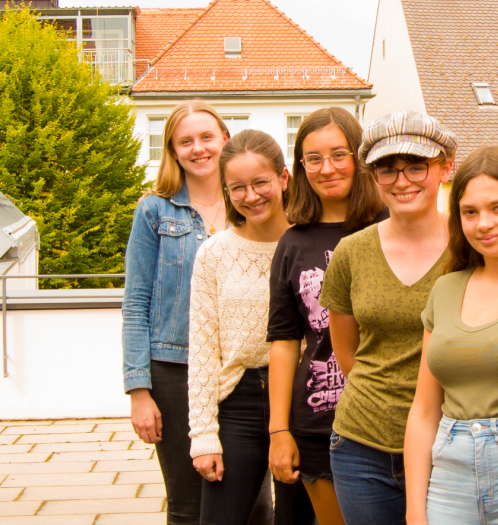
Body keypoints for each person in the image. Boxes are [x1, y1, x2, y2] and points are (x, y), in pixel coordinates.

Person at [404, 146, 498, 525]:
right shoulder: (446, 289)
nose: (483, 223)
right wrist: (414, 511)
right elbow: (424, 411)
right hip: (449, 478)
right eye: (470, 212)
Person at [320, 110, 457, 525]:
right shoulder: (351, 253)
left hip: (449, 442)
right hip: (362, 446)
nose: (402, 181)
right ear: (371, 176)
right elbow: (347, 355)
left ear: (446, 167)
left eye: (417, 166)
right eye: (387, 169)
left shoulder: (472, 247)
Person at [267, 108, 388, 525]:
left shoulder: (391, 225)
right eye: (313, 158)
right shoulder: (292, 242)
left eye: (339, 154)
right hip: (318, 421)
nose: (327, 168)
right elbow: (284, 341)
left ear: (359, 157)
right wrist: (278, 430)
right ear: (300, 168)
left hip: (391, 418)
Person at [123, 100, 240, 525]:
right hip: (175, 369)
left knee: (252, 503)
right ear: (173, 151)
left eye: (206, 137)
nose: (198, 148)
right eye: (184, 141)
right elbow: (136, 302)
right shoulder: (153, 211)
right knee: (189, 505)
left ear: (224, 139)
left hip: (242, 370)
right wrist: (138, 391)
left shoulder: (252, 204)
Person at [187, 129, 312, 525]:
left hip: (300, 398)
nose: (251, 196)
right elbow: (204, 348)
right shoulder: (213, 254)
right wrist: (203, 435)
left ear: (284, 178)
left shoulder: (310, 245)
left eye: (260, 182)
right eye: (237, 187)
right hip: (237, 401)